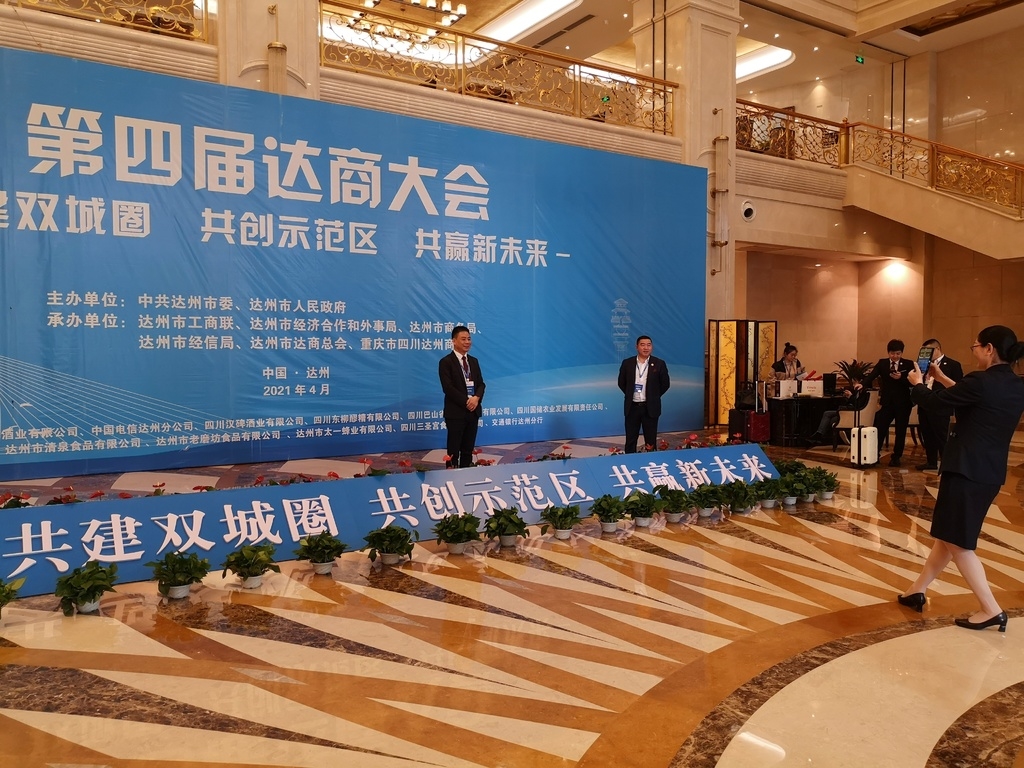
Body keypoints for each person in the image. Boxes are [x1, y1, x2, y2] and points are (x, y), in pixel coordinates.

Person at [897, 325, 1024, 631]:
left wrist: (918, 384)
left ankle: (991, 609)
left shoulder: (980, 381)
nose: (975, 351)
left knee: (959, 543)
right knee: (948, 535)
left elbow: (936, 404)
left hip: (965, 470)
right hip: (988, 472)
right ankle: (917, 590)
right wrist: (942, 379)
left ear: (989, 349)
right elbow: (974, 400)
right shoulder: (1015, 384)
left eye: (976, 346)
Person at [439, 325, 485, 468]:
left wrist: (476, 398)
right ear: (454, 341)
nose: (467, 342)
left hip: (473, 411)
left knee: (468, 450)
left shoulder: (473, 361)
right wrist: (467, 401)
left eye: (469, 339)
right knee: (453, 451)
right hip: (456, 413)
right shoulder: (446, 362)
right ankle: (451, 478)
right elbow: (448, 388)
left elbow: (481, 384)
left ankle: (467, 476)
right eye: (463, 339)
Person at [862, 339, 914, 467]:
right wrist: (862, 384)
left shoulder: (909, 364)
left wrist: (901, 378)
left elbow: (913, 382)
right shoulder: (883, 363)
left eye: (898, 353)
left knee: (900, 431)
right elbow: (872, 375)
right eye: (892, 353)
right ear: (888, 352)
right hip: (887, 402)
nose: (895, 356)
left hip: (903, 403)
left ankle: (896, 457)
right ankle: (874, 455)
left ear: (901, 353)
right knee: (880, 428)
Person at [914, 338, 964, 471]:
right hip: (925, 404)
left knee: (941, 436)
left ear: (937, 349)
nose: (926, 354)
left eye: (928, 351)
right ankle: (931, 461)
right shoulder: (923, 365)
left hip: (941, 405)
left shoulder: (953, 364)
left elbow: (958, 386)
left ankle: (945, 463)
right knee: (927, 434)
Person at [617, 335, 670, 453]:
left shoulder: (659, 363)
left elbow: (665, 384)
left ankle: (650, 461)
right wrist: (630, 394)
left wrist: (653, 396)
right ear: (636, 347)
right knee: (631, 439)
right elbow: (621, 383)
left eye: (648, 345)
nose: (646, 348)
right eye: (642, 345)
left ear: (652, 347)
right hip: (632, 407)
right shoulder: (627, 363)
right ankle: (629, 461)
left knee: (650, 441)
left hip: (650, 408)